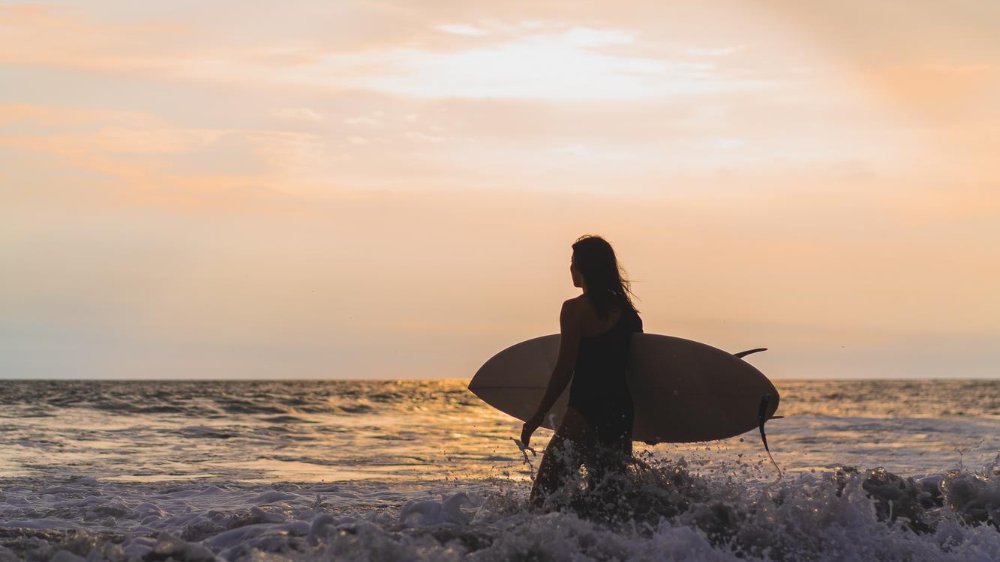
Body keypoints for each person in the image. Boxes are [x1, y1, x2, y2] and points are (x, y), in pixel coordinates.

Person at [520, 235, 643, 507]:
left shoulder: (574, 309)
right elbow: (639, 373)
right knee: (609, 502)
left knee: (541, 497)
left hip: (586, 411)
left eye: (573, 262)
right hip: (621, 414)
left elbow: (565, 367)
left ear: (584, 268)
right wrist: (651, 426)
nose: (570, 269)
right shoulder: (628, 314)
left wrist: (537, 415)